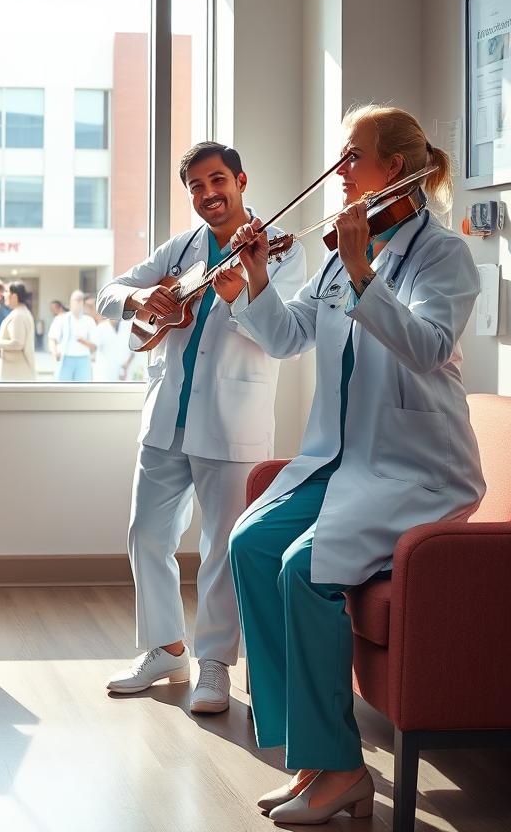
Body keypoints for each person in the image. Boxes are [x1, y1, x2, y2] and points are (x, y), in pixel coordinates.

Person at [221, 106, 484, 822]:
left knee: (304, 571)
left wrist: (367, 270)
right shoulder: (342, 249)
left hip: (416, 467)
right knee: (250, 545)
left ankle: (342, 769)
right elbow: (288, 335)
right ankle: (310, 759)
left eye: (351, 156)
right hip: (344, 459)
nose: (338, 170)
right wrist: (252, 282)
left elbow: (429, 345)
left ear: (393, 168)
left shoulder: (441, 254)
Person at [97, 141, 306, 713]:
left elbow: (282, 337)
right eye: (196, 186)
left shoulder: (280, 252)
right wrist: (143, 297)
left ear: (241, 179)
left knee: (221, 546)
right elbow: (106, 294)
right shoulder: (182, 247)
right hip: (167, 416)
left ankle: (214, 663)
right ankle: (165, 648)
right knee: (147, 536)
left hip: (233, 420)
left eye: (218, 181)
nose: (208, 194)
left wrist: (241, 296)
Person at [49, 289, 97, 381]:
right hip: (65, 358)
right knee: (63, 389)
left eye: (80, 300)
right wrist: (54, 352)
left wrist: (84, 342)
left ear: (83, 302)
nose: (77, 303)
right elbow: (52, 338)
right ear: (70, 302)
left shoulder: (89, 321)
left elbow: (94, 346)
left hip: (84, 359)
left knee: (82, 391)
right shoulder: (61, 319)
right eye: (75, 300)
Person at [0, 281, 36, 381]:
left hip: (17, 371)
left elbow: (17, 343)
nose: (4, 295)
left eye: (7, 291)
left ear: (14, 295)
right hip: (18, 369)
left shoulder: (18, 315)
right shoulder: (21, 312)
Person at [86, 295, 131, 382]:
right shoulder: (101, 327)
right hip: (103, 374)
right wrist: (82, 341)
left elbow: (132, 351)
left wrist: (126, 366)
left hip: (122, 375)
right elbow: (93, 346)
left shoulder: (126, 327)